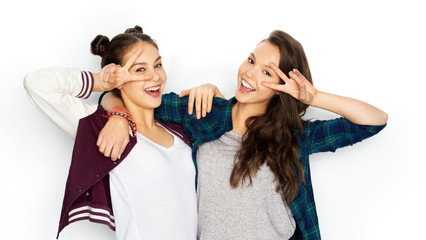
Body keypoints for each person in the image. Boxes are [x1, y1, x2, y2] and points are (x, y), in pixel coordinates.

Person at [99, 30, 388, 240]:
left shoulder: (292, 136)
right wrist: (117, 115)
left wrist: (313, 97)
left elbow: (373, 122)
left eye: (267, 72)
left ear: (283, 84)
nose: (250, 74)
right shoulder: (205, 111)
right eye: (251, 61)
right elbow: (129, 95)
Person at [24, 26, 222, 240]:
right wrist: (101, 82)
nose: (155, 76)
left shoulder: (178, 130)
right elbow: (36, 84)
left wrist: (215, 93)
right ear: (118, 78)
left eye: (157, 64)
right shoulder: (103, 130)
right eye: (140, 69)